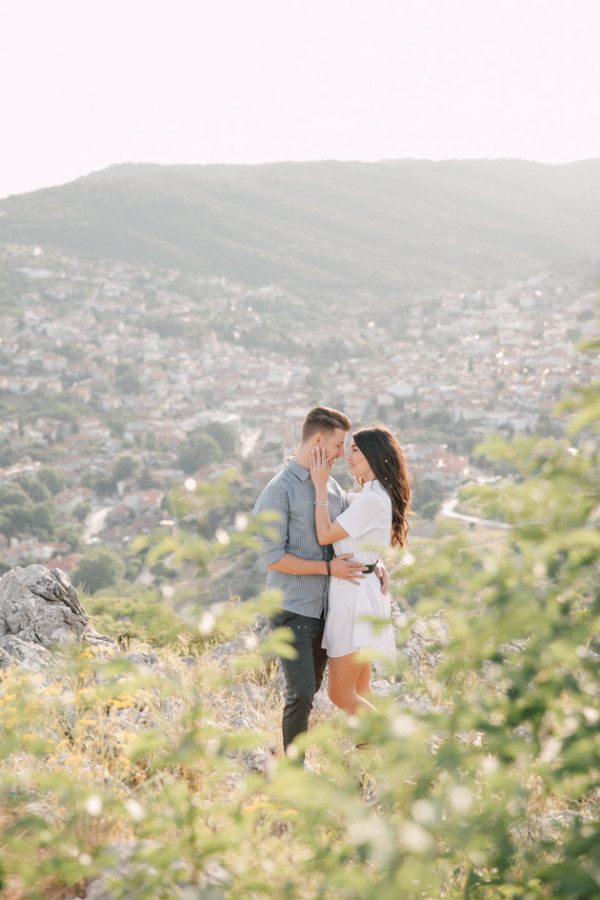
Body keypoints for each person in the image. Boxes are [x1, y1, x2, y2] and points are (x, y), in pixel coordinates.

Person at [253, 406, 386, 760]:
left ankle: (369, 762)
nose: (342, 453)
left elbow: (350, 530)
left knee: (329, 691)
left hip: (330, 610)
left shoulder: (332, 485)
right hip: (293, 608)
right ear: (317, 440)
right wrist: (327, 569)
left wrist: (375, 563)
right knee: (300, 694)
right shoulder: (278, 491)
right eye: (339, 444)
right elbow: (274, 558)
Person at [309, 425, 411, 716]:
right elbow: (348, 508)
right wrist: (374, 562)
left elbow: (325, 535)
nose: (348, 457)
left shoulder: (371, 498)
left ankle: (388, 739)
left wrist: (319, 486)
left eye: (355, 450)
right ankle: (370, 745)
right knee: (361, 689)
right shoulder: (373, 493)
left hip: (354, 598)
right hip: (360, 587)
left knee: (340, 694)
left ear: (373, 455)